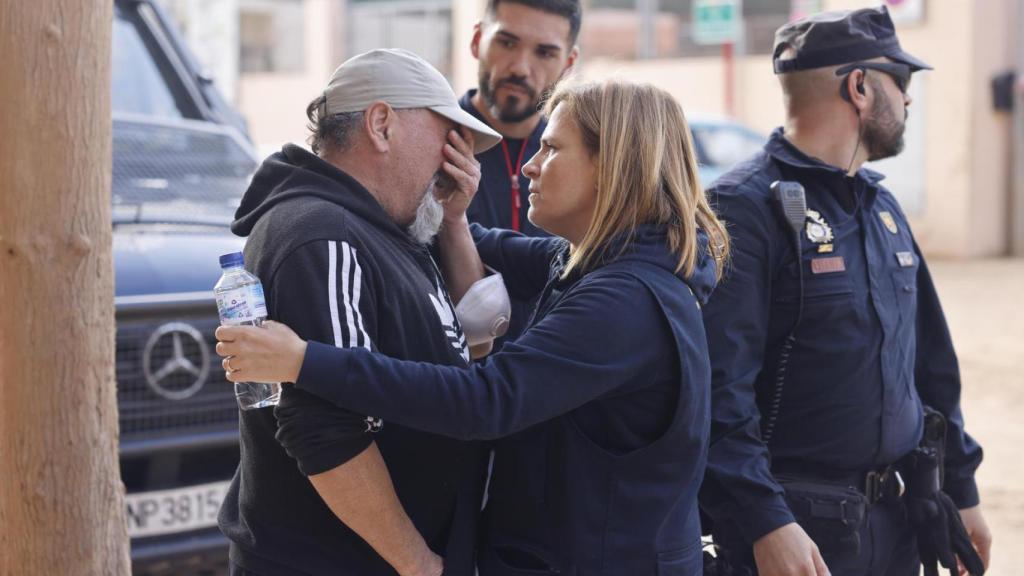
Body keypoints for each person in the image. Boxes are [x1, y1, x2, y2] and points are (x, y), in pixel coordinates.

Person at [215, 79, 731, 575]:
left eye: (551, 150)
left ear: (613, 168)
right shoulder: (598, 262)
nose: (529, 165)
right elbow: (467, 235)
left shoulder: (625, 300)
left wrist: (303, 360)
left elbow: (484, 402)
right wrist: (447, 215)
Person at [698, 7, 992, 576]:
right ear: (859, 86)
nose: (907, 101)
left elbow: (928, 364)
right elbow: (716, 390)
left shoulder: (880, 207)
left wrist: (960, 487)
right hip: (800, 536)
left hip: (898, 521)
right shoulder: (744, 209)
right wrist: (765, 522)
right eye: (899, 82)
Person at [217, 48, 501, 576]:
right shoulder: (322, 234)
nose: (454, 160)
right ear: (381, 124)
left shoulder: (384, 227)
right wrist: (418, 564)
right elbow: (328, 431)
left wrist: (454, 220)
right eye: (446, 138)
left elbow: (470, 346)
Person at [457, 0, 581, 346]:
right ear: (477, 40)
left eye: (544, 53)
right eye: (506, 43)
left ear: (568, 64)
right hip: (446, 381)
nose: (521, 68)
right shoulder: (425, 147)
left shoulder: (587, 161)